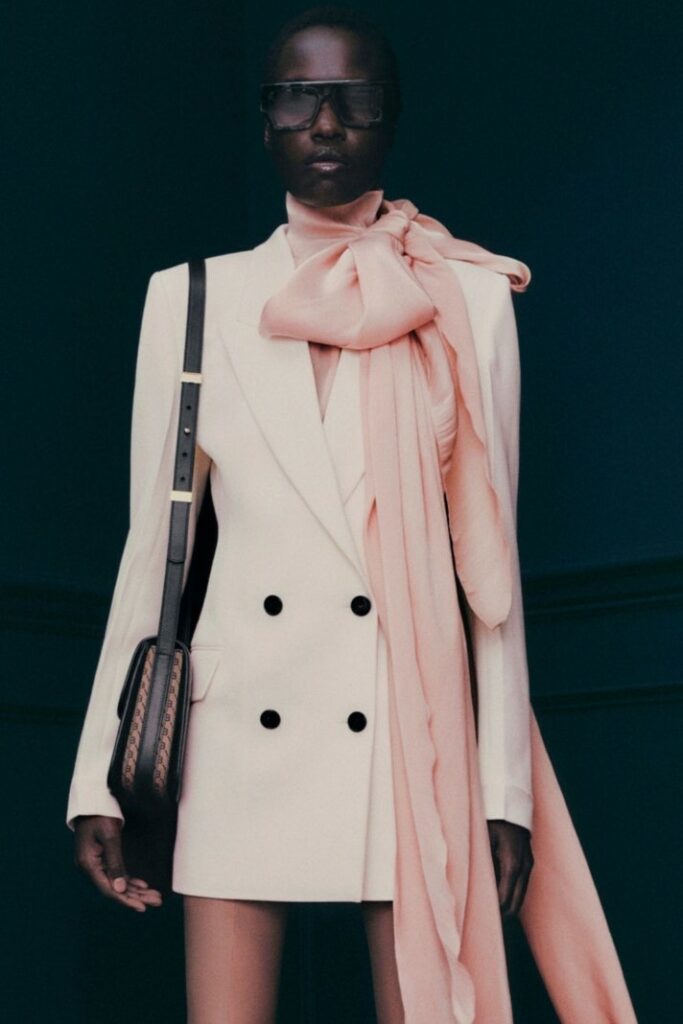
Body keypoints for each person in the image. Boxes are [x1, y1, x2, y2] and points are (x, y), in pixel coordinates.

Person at [67, 6, 638, 1023]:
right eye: (297, 98)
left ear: (390, 117)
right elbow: (151, 555)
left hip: (406, 732)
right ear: (264, 120)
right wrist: (96, 781)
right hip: (238, 739)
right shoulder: (191, 299)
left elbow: (489, 570)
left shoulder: (467, 297)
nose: (324, 122)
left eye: (352, 98)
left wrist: (502, 788)